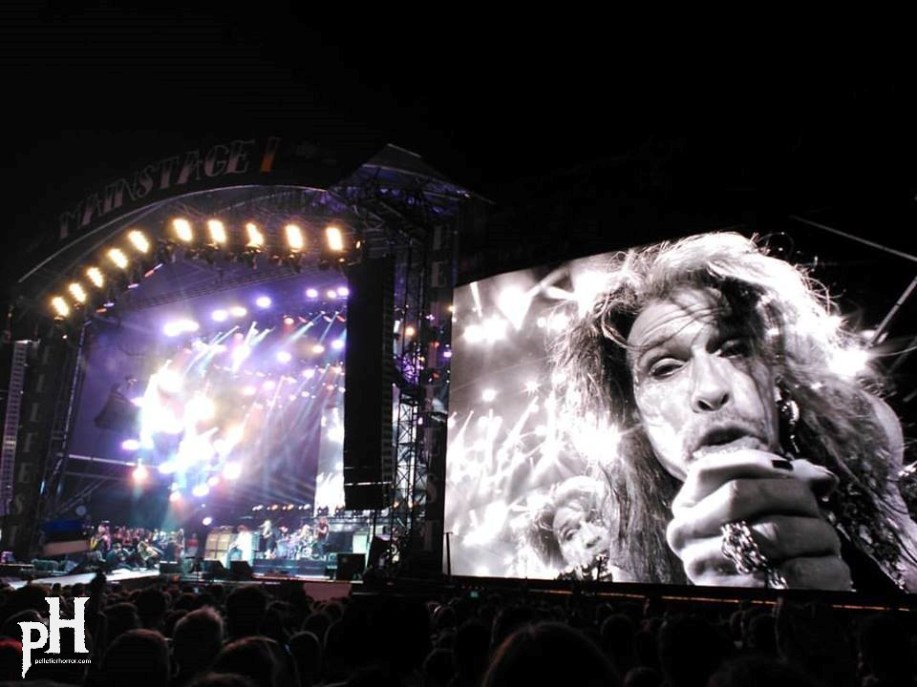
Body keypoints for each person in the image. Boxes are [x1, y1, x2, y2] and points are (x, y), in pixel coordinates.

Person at [549, 231, 917, 591]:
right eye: (665, 368)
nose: (711, 390)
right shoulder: (635, 561)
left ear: (775, 374)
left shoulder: (859, 436)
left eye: (734, 349)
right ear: (635, 416)